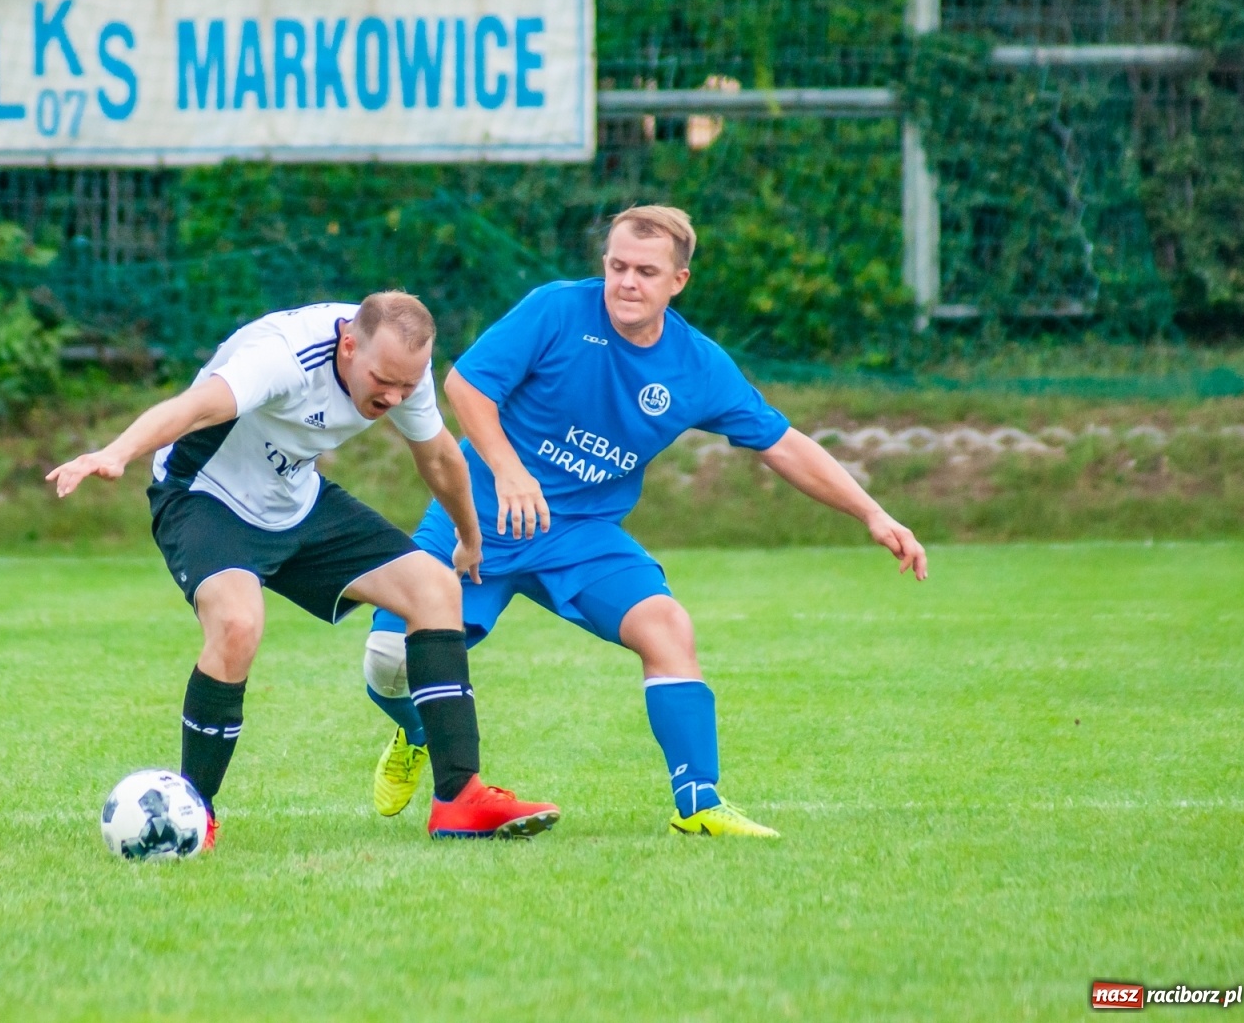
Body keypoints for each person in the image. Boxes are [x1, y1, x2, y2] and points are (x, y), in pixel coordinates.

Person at [360, 207, 928, 838]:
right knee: (388, 662)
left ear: (678, 281)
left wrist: (872, 512)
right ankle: (417, 732)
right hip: (478, 519)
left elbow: (782, 444)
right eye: (618, 266)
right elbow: (467, 385)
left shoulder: (696, 366)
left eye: (646, 272)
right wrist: (509, 469)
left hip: (581, 535)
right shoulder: (556, 310)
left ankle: (699, 802)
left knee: (666, 624)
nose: (627, 282)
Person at [48, 292, 559, 847]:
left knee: (435, 588)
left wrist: (468, 535)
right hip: (205, 496)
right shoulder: (284, 357)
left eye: (407, 386)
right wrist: (116, 452)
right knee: (238, 624)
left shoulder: (401, 366)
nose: (394, 397)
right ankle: (196, 812)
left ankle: (460, 800)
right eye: (383, 381)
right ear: (349, 346)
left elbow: (437, 455)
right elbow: (194, 408)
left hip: (296, 500)